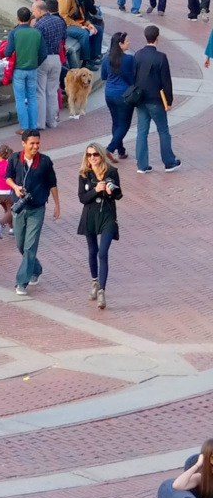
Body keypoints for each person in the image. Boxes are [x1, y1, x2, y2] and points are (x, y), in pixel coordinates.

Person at [10, 128, 59, 296]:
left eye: (38, 143)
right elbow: (8, 177)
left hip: (37, 209)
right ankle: (36, 268)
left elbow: (53, 183)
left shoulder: (45, 162)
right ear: (24, 143)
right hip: (19, 208)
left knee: (30, 246)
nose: (35, 146)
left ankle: (21, 282)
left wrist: (57, 205)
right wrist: (15, 187)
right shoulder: (15, 158)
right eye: (32, 143)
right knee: (20, 244)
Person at [131, 24, 180, 172]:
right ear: (157, 38)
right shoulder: (161, 57)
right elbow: (166, 81)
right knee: (163, 131)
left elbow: (134, 77)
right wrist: (169, 101)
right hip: (157, 100)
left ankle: (142, 165)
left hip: (141, 99)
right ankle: (169, 161)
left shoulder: (138, 55)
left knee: (141, 132)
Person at [78, 144, 121, 309]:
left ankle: (102, 290)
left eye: (95, 154)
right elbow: (82, 198)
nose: (92, 158)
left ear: (101, 155)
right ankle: (94, 281)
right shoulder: (84, 174)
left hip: (107, 216)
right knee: (92, 251)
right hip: (90, 215)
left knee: (103, 252)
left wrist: (112, 191)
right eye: (89, 155)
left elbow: (119, 194)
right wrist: (96, 189)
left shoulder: (111, 172)